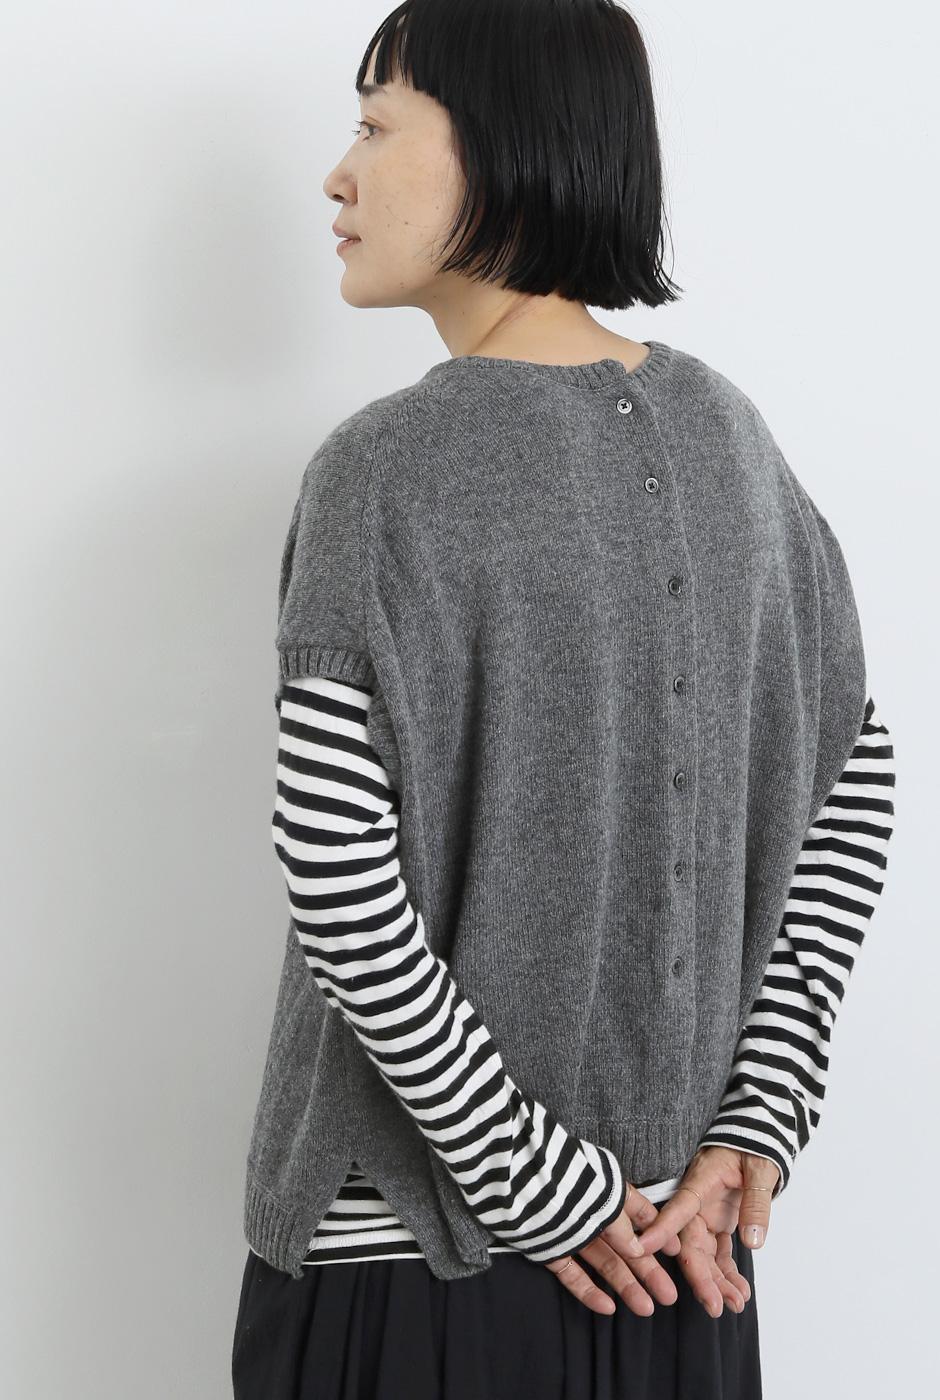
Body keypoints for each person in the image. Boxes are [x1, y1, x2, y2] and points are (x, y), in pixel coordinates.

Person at [231, 2, 897, 1396]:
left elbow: (337, 876)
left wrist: (535, 1182)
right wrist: (757, 1119)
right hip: (684, 1258)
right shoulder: (735, 440)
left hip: (409, 1272)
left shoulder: (384, 468)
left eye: (375, 127)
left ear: (504, 147)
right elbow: (856, 787)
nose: (338, 176)